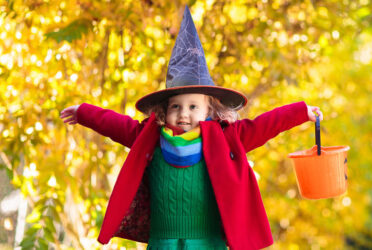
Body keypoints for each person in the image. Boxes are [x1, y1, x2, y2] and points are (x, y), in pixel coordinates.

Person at [60, 6, 323, 250]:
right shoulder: (151, 138)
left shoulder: (227, 137)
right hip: (163, 243)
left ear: (210, 110)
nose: (184, 114)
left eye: (193, 107)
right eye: (176, 107)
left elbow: (265, 125)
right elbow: (117, 125)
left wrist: (301, 112)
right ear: (165, 111)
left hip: (208, 242)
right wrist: (84, 113)